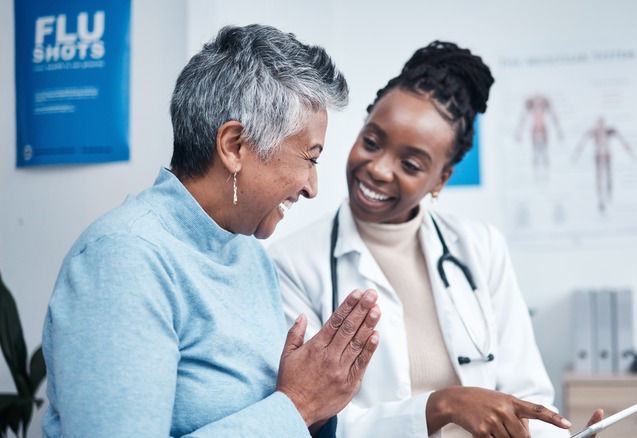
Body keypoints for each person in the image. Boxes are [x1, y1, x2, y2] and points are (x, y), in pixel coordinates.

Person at [42, 24, 382, 437]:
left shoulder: (246, 251)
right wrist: (298, 405)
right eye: (309, 158)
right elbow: (287, 411)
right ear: (235, 146)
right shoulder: (122, 259)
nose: (313, 187)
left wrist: (321, 402)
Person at [268, 41, 603, 437]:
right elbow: (313, 418)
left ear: (440, 179)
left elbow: (525, 393)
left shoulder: (480, 247)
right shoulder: (292, 263)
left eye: (410, 164)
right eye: (372, 141)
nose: (377, 169)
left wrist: (560, 434)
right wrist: (440, 406)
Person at [572, 116, 634, 213]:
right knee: (599, 178)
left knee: (608, 177)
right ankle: (601, 200)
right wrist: (576, 155)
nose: (601, 126)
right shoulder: (593, 132)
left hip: (606, 156)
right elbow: (582, 143)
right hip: (598, 156)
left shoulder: (609, 131)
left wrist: (630, 153)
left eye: (602, 124)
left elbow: (622, 140)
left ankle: (609, 197)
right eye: (599, 124)